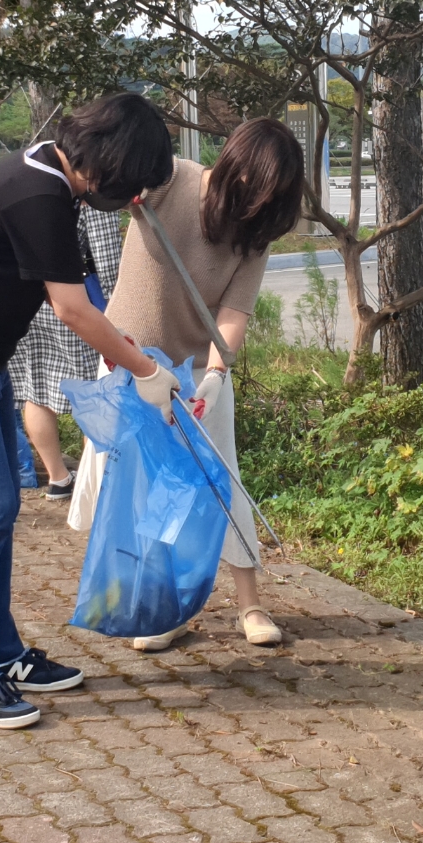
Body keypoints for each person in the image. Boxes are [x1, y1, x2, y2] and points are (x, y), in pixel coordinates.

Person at [0, 92, 187, 730]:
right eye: (130, 180)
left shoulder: (45, 173)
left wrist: (134, 355)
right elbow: (71, 309)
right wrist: (148, 371)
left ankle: (1, 652)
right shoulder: (39, 193)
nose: (129, 195)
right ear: (105, 163)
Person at [95, 117, 304, 652]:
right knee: (152, 487)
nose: (255, 209)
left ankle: (250, 603)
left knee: (221, 476)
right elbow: (116, 178)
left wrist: (215, 376)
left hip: (195, 371)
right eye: (252, 193)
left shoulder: (254, 238)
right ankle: (168, 608)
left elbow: (233, 314)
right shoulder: (174, 181)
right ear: (232, 170)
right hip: (129, 361)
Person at [6, 204, 121, 495]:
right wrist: (118, 312)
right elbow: (108, 262)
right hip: (73, 301)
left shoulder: (31, 184)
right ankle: (91, 485)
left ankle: (58, 477)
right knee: (94, 393)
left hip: (27, 298)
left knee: (36, 388)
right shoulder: (92, 195)